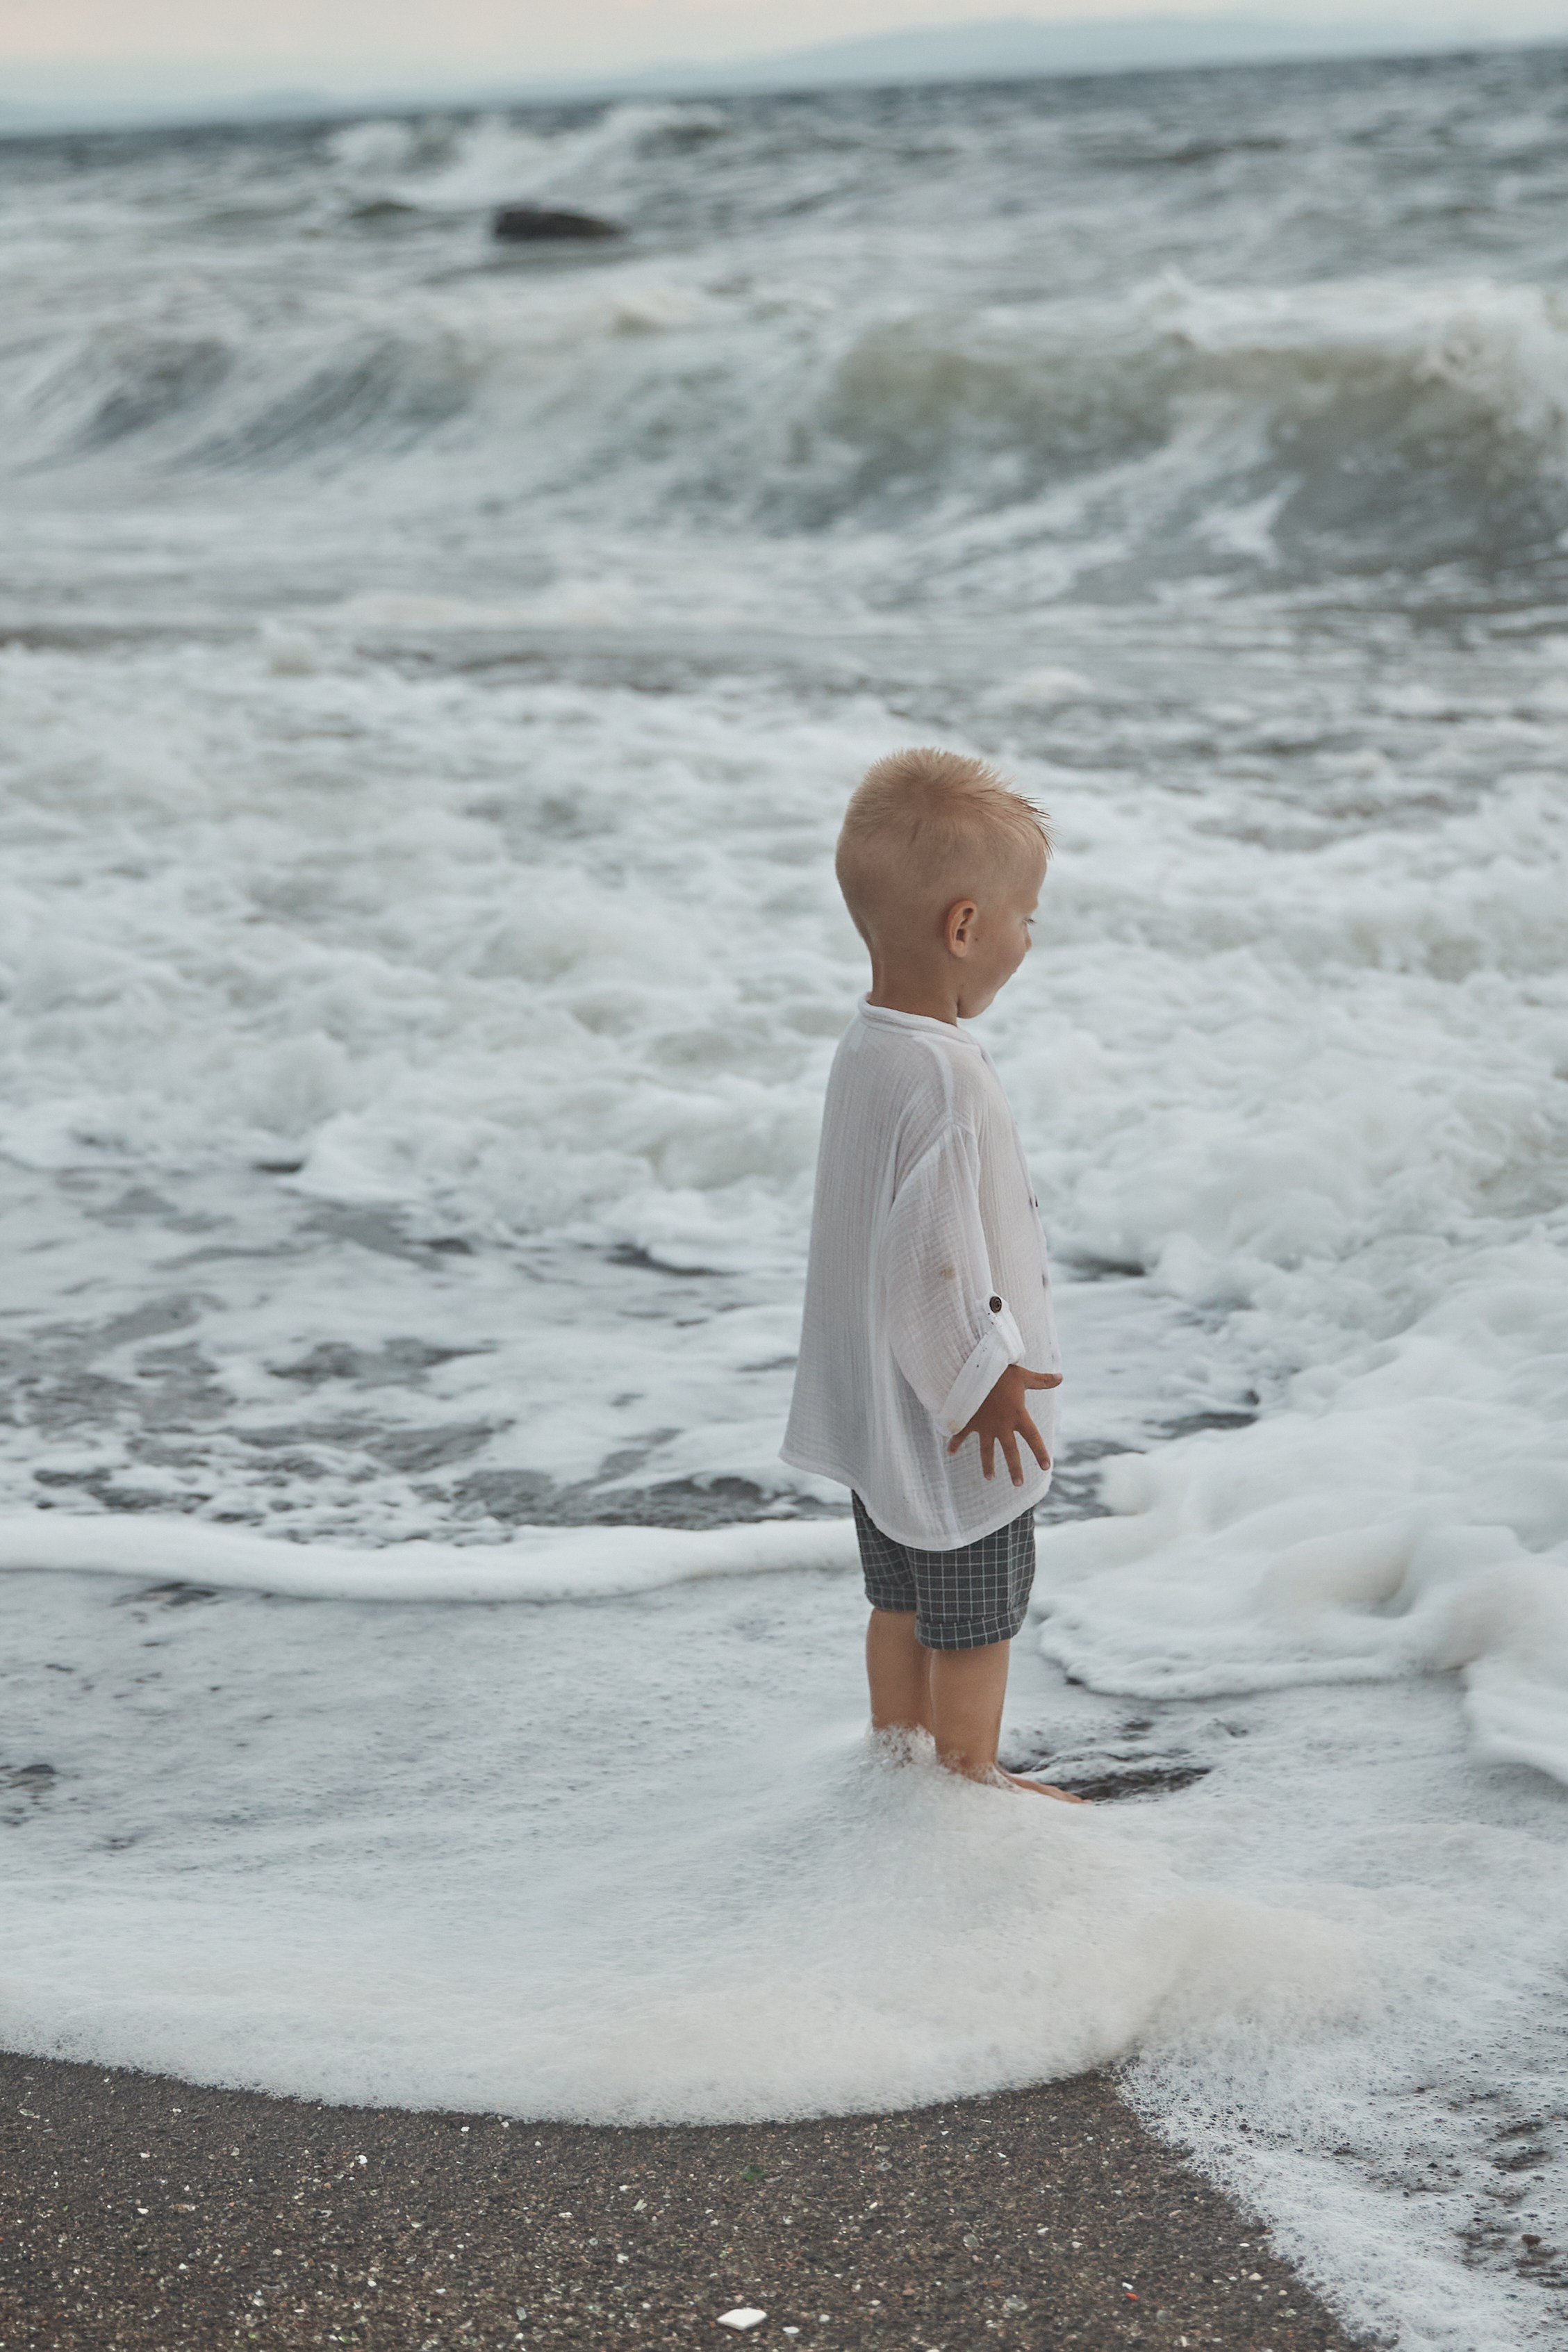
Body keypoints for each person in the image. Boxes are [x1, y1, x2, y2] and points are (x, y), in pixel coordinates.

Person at [782, 746, 1082, 1800]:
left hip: (881, 1415)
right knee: (979, 1618)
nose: (1026, 938)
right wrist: (983, 1379)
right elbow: (931, 1258)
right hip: (955, 1423)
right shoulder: (949, 1077)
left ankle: (897, 1756)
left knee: (900, 1602)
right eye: (1025, 916)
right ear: (965, 926)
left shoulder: (869, 1045)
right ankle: (968, 1781)